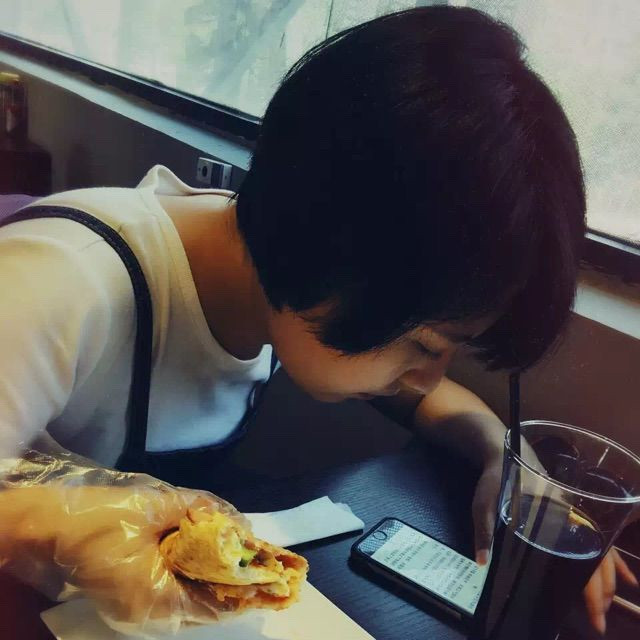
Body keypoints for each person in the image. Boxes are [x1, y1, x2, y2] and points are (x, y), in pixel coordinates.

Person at [0, 5, 634, 636]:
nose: (425, 376)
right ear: (331, 244)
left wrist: (508, 462)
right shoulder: (59, 281)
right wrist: (56, 526)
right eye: (424, 345)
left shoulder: (278, 283)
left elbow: (432, 400)